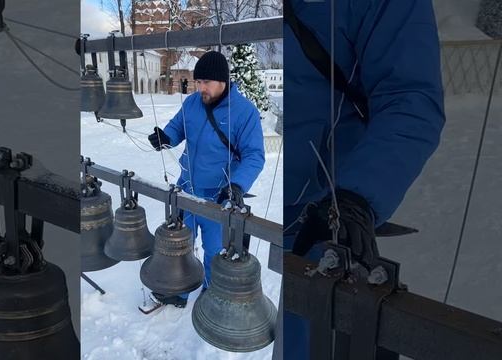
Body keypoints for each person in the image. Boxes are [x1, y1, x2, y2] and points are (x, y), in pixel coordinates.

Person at [284, 0, 445, 358]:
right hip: (260, 213)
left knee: (309, 341)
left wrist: (356, 196)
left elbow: (410, 100)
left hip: (320, 220)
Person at [147, 51, 265, 308]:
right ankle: (178, 289)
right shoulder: (192, 103)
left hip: (218, 197)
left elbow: (254, 156)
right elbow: (178, 127)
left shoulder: (245, 112)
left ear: (223, 81)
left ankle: (211, 291)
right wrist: (165, 137)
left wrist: (237, 185)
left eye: (206, 83)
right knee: (180, 243)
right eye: (198, 82)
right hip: (186, 188)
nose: (201, 88)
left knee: (214, 251)